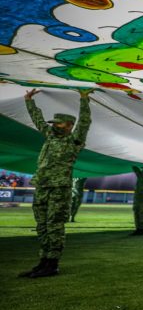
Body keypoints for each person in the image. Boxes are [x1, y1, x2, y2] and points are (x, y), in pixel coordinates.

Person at [18, 88, 92, 278]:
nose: (54, 126)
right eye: (54, 123)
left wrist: (84, 99)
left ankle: (53, 263)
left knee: (54, 225)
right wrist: (28, 100)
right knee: (41, 225)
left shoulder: (74, 140)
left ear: (68, 125)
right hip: (42, 186)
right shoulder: (50, 135)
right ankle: (43, 261)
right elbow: (38, 120)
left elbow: (84, 123)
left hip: (59, 189)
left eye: (58, 123)